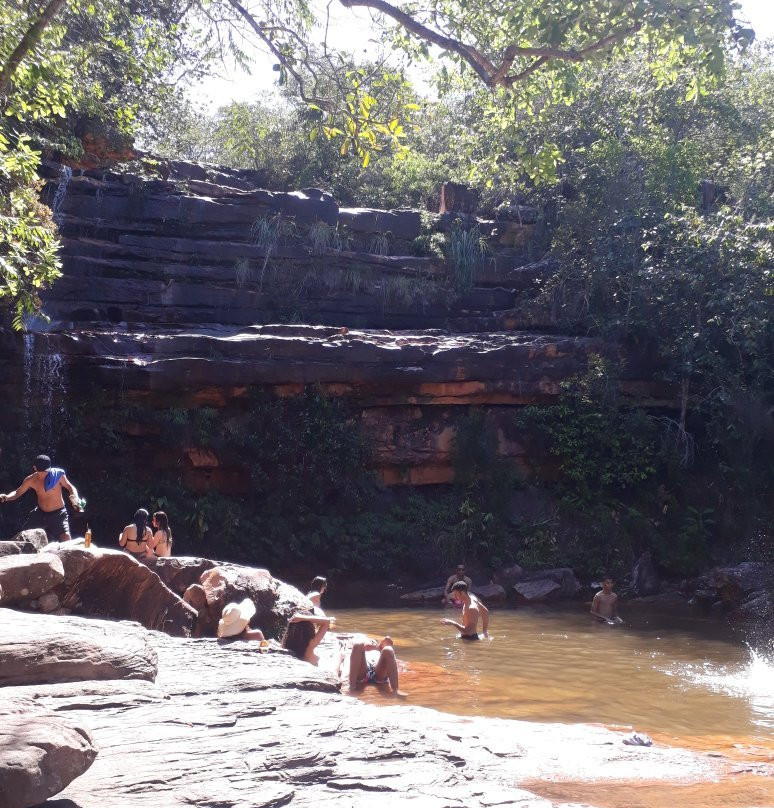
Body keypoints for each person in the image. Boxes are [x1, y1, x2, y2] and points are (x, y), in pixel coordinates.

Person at [0, 454, 82, 542]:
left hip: (58, 514)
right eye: (40, 471)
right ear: (35, 468)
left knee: (66, 538)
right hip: (40, 513)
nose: (43, 473)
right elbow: (17, 493)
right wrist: (6, 497)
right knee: (23, 536)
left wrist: (75, 497)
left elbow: (70, 487)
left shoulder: (58, 475)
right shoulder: (31, 480)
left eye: (45, 471)